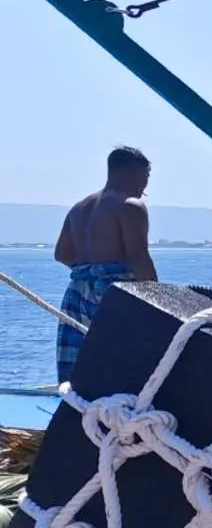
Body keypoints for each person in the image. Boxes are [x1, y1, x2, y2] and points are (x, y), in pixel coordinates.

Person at [53, 147, 157, 384]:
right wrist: (157, 299)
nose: (145, 184)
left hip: (78, 291)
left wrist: (91, 270)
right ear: (133, 172)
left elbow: (61, 254)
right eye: (146, 175)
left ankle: (75, 404)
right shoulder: (131, 206)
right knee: (126, 363)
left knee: (77, 366)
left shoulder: (79, 208)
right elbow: (138, 256)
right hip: (116, 292)